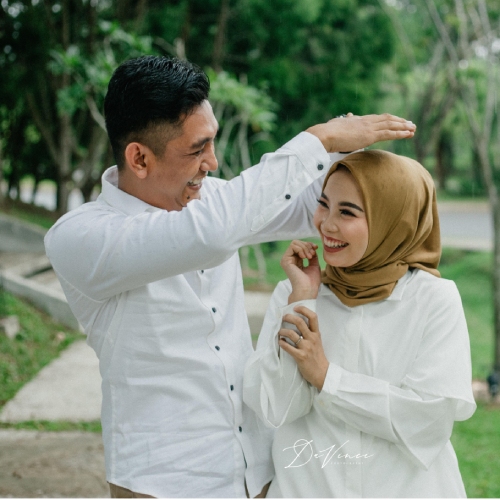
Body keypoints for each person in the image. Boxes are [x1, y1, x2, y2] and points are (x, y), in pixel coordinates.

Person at [44, 55, 416, 498]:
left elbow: (311, 209)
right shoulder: (81, 237)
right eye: (197, 149)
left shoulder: (216, 203)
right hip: (164, 483)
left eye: (213, 143)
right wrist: (317, 140)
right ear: (139, 158)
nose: (213, 162)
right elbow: (211, 233)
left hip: (255, 473)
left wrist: (344, 156)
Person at [243, 150, 477, 498]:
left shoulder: (433, 299)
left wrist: (326, 377)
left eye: (347, 212)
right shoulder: (293, 293)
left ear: (393, 220)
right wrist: (303, 301)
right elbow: (276, 408)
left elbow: (426, 421)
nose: (326, 224)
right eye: (324, 204)